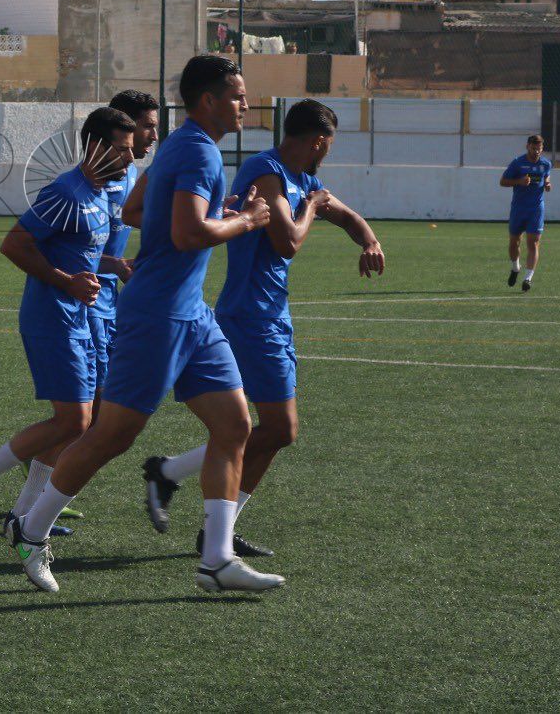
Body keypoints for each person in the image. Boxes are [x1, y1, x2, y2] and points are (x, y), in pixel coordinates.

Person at [5, 54, 281, 595]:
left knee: (235, 427)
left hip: (192, 314)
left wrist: (218, 211)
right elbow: (187, 235)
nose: (246, 105)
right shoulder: (198, 152)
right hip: (158, 313)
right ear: (208, 100)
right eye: (237, 96)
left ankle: (216, 560)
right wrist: (247, 220)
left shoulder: (180, 146)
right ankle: (30, 529)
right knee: (112, 435)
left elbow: (134, 210)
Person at [142, 99, 384, 558]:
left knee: (271, 430)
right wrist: (311, 207)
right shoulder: (266, 172)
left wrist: (369, 241)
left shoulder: (303, 180)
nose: (326, 156)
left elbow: (349, 217)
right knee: (278, 428)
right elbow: (288, 240)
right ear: (319, 142)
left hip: (273, 316)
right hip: (249, 317)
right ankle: (175, 481)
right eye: (328, 146)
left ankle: (198, 505)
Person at [0, 107, 136, 537]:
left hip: (80, 318)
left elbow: (79, 254)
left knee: (83, 421)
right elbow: (14, 245)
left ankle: (25, 514)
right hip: (51, 317)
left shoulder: (99, 194)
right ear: (96, 147)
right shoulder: (66, 192)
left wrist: (113, 266)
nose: (131, 158)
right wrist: (65, 282)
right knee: (73, 421)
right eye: (122, 149)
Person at [91, 90, 161, 393]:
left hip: (112, 300)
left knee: (114, 394)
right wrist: (115, 266)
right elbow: (64, 253)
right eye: (148, 126)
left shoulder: (130, 171)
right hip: (86, 301)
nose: (154, 136)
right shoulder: (92, 181)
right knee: (92, 405)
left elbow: (152, 216)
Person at [501, 135, 551, 292]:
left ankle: (528, 278)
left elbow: (546, 175)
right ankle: (515, 267)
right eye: (534, 148)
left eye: (539, 149)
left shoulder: (545, 163)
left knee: (533, 242)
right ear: (527, 146)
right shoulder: (518, 163)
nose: (536, 151)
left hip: (536, 209)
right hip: (519, 208)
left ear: (542, 148)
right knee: (514, 241)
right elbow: (503, 181)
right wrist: (519, 181)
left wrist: (547, 183)